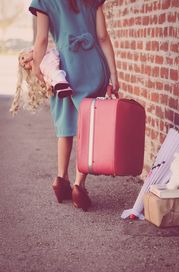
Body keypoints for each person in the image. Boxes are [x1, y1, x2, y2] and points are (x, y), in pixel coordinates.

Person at [29, 0, 119, 211]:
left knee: (65, 124)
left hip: (64, 68)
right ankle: (79, 185)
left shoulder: (43, 1)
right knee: (89, 127)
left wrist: (38, 70)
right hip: (93, 67)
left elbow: (41, 40)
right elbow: (103, 37)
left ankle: (61, 179)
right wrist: (114, 75)